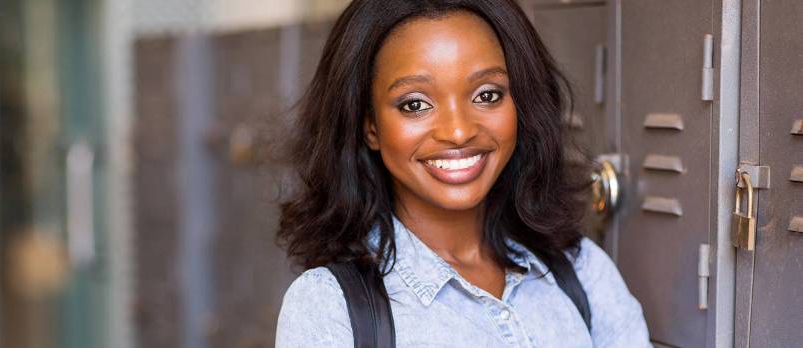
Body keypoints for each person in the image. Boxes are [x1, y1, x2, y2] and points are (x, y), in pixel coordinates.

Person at [275, 0, 650, 346]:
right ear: (370, 125)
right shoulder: (330, 305)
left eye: (486, 95)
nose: (458, 131)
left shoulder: (581, 271)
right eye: (415, 104)